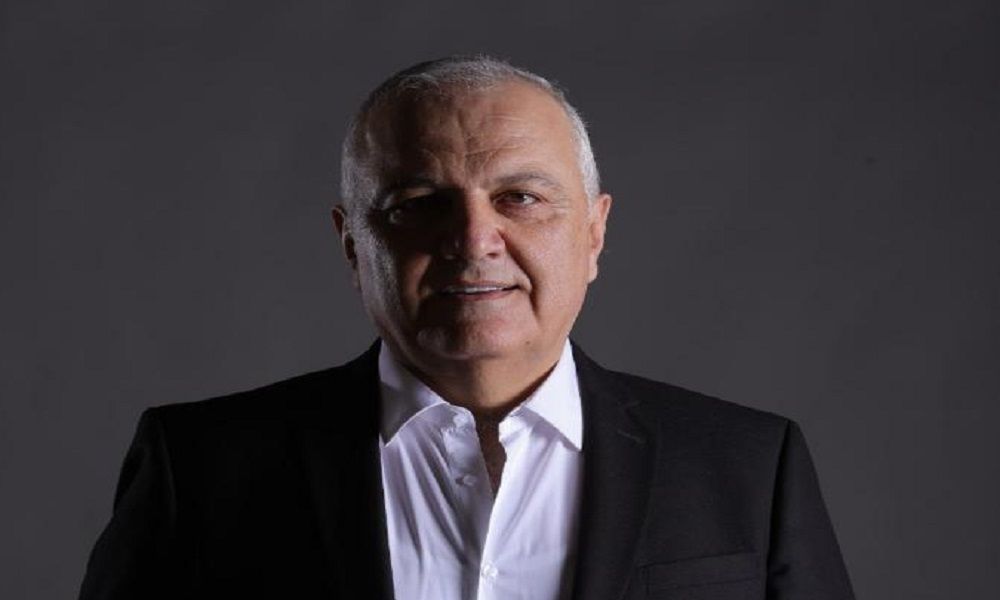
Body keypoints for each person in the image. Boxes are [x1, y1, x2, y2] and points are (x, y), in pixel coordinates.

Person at [79, 56, 855, 600]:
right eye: (419, 204)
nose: (474, 239)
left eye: (520, 198)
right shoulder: (201, 470)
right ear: (353, 245)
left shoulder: (751, 467)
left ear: (593, 234)